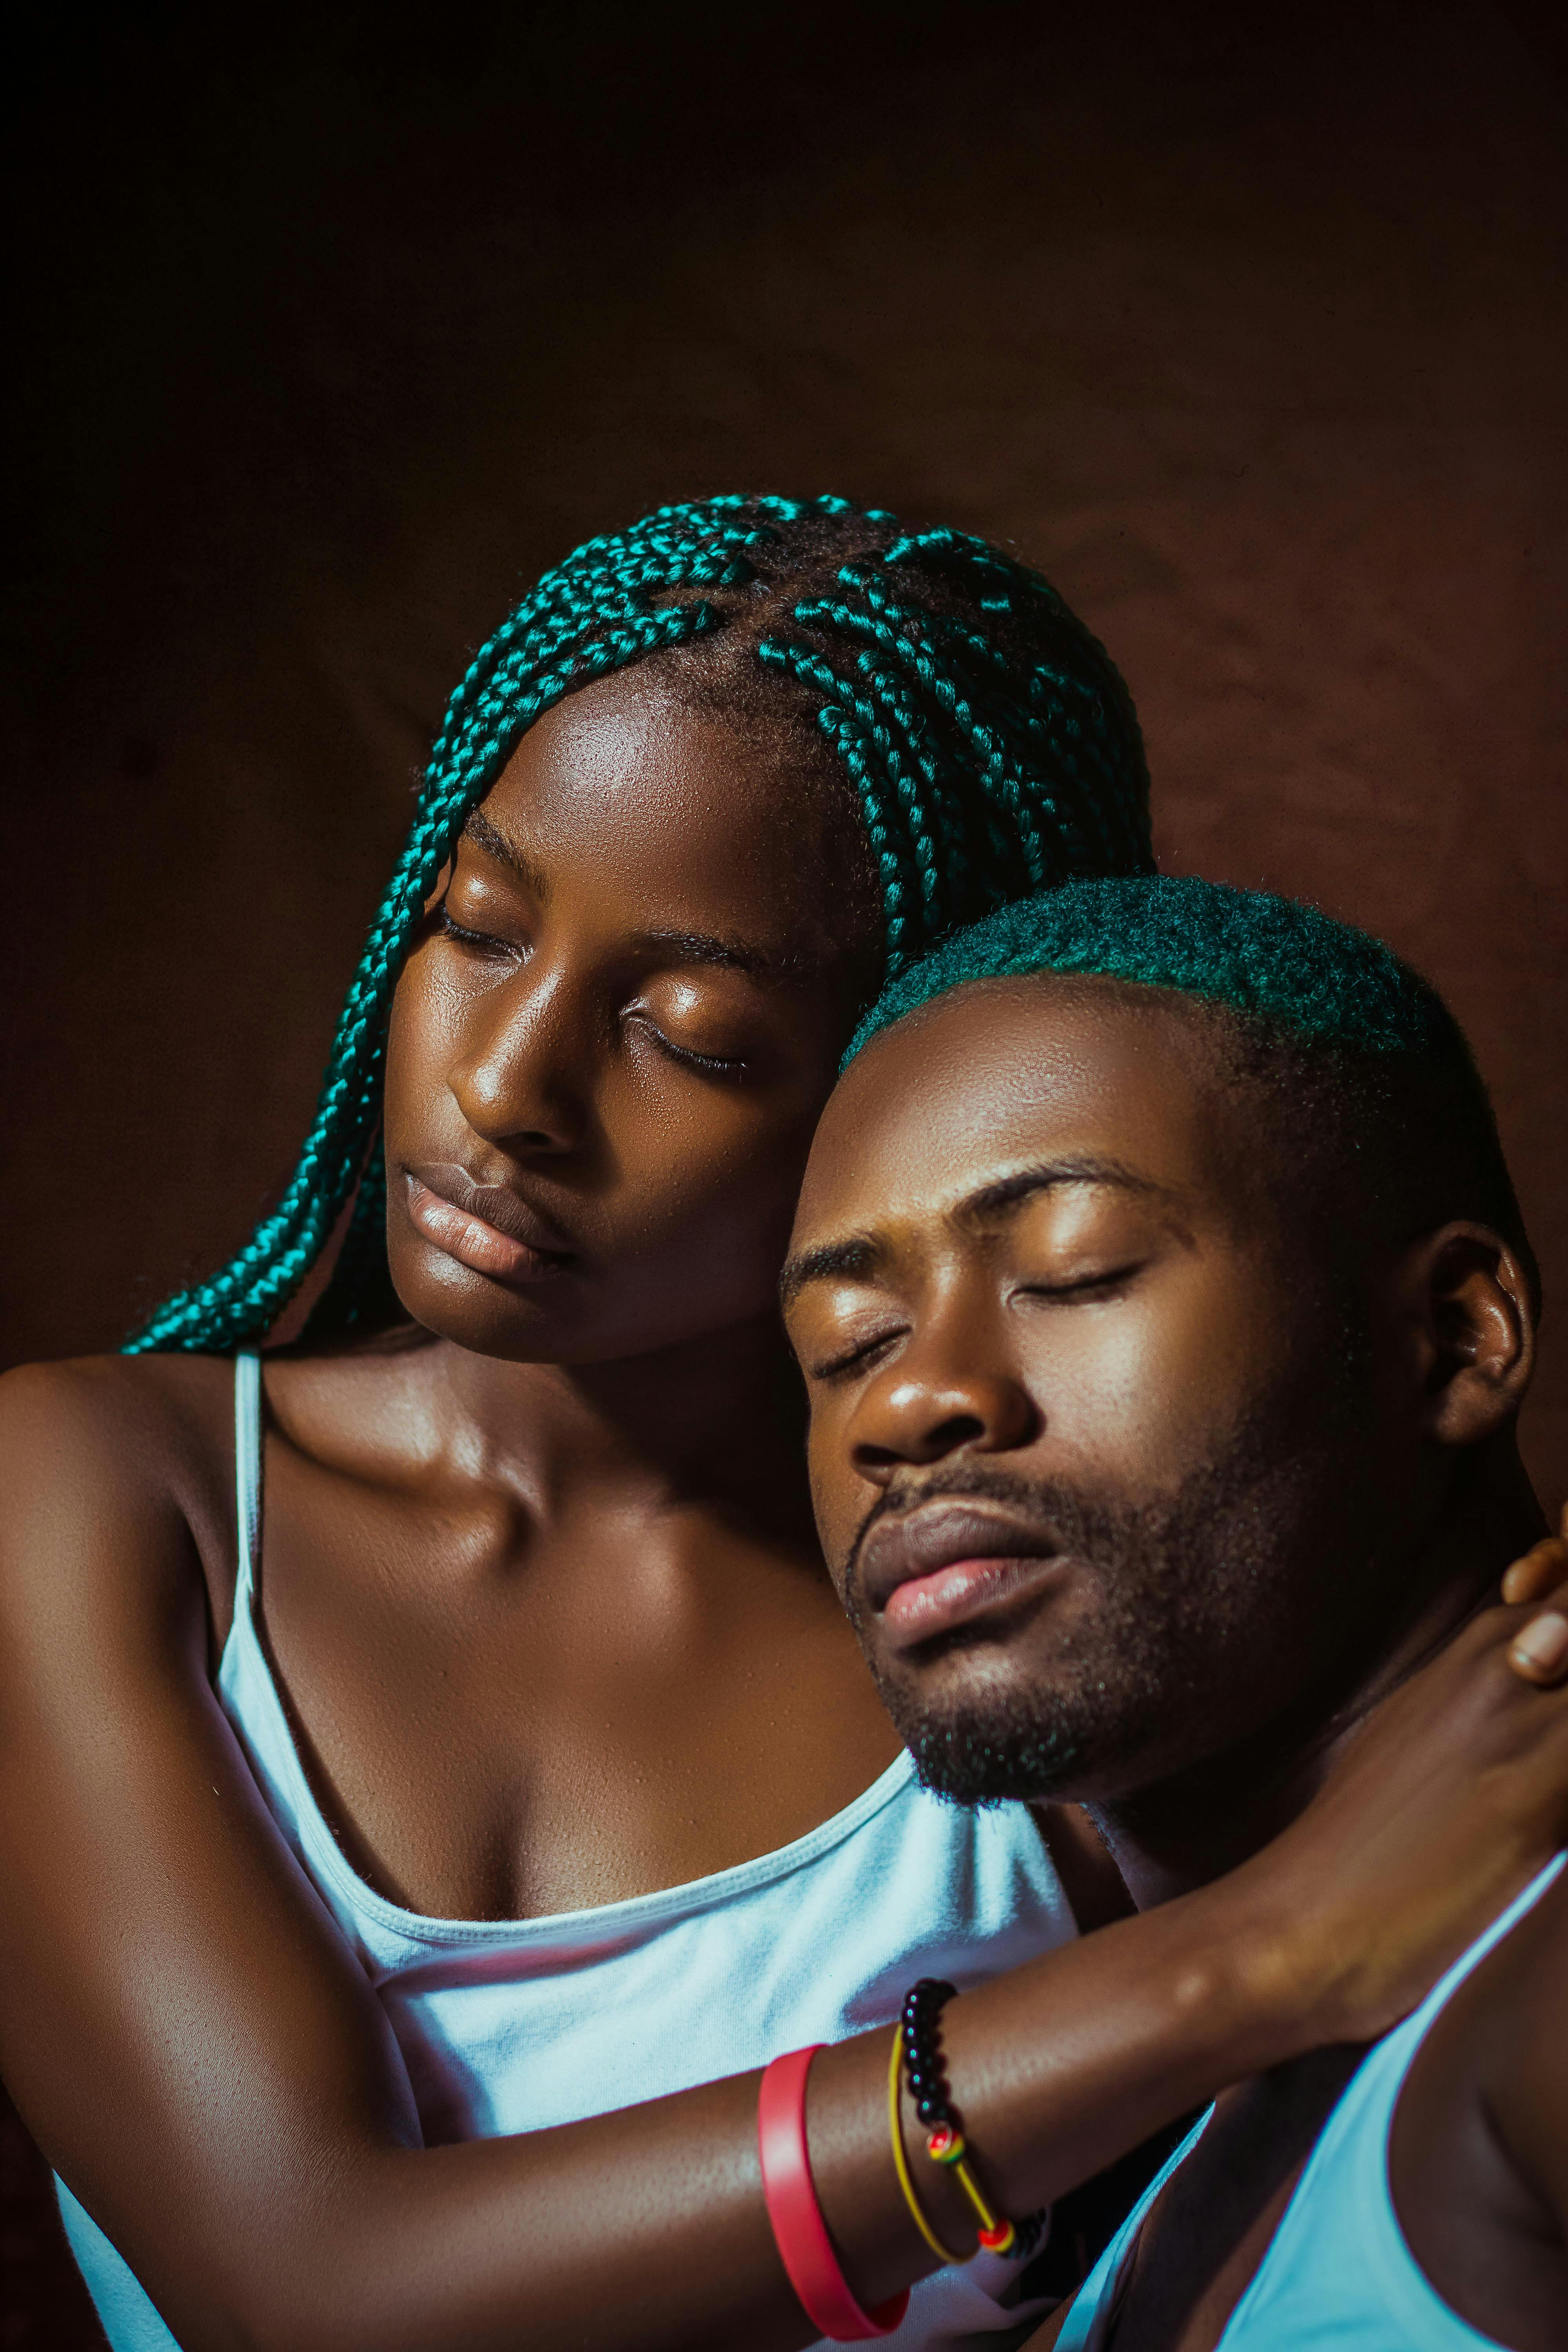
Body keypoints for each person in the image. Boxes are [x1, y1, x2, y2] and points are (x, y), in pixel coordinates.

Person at [0, 490, 1563, 2352]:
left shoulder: (1012, 1640)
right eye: (473, 926)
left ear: (910, 1066)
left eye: (695, 1035)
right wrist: (1246, 1964)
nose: (502, 1086)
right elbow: (303, 2290)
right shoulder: (109, 1501)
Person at [780, 873, 1568, 2351]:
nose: (905, 1399)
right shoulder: (1177, 2152)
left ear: (1455, 1339)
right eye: (845, 1342)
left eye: (1074, 1271)